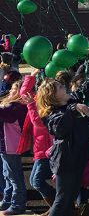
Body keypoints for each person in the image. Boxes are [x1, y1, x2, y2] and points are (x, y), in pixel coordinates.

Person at [38, 78, 89, 216]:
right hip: (65, 162)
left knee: (71, 197)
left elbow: (87, 86)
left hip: (78, 159)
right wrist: (74, 108)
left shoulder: (72, 101)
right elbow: (59, 127)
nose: (63, 86)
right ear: (52, 95)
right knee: (62, 199)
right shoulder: (52, 114)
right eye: (59, 86)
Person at [20, 70, 55, 212]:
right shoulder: (38, 101)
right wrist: (32, 76)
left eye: (41, 87)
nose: (38, 88)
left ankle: (58, 207)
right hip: (40, 148)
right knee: (34, 181)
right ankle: (57, 206)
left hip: (47, 150)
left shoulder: (50, 106)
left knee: (37, 181)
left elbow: (38, 122)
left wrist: (31, 106)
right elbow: (24, 93)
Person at [0, 80, 27, 215]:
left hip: (11, 146)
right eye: (11, 89)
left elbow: (4, 114)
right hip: (6, 146)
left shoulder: (17, 107)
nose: (10, 91)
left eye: (14, 89)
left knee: (14, 177)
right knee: (7, 175)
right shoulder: (12, 106)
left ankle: (18, 204)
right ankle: (7, 200)